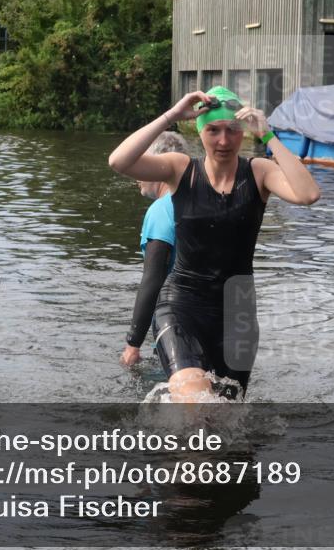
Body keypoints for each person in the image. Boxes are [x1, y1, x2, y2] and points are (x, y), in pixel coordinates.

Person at [109, 86, 320, 401]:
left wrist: (268, 136)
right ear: (200, 132)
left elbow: (308, 194)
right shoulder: (180, 169)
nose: (224, 141)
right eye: (213, 130)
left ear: (243, 132)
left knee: (226, 419)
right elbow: (119, 161)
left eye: (233, 130)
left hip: (238, 314)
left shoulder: (259, 172)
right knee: (194, 405)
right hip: (182, 305)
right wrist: (171, 115)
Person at [120, 131, 189, 367]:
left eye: (143, 165)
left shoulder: (161, 210)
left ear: (159, 166)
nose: (137, 174)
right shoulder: (199, 200)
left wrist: (133, 343)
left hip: (177, 328)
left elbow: (153, 279)